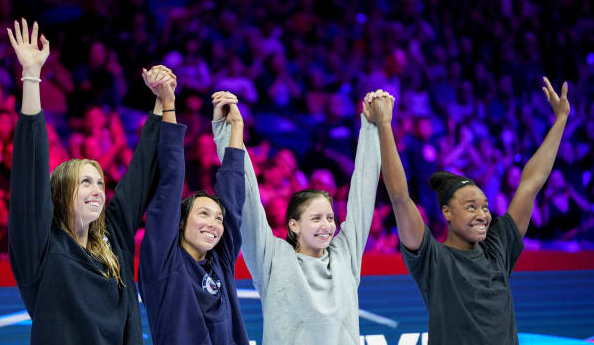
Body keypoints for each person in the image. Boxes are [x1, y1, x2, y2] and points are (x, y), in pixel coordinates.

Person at [6, 18, 175, 344]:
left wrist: (162, 101)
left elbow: (141, 173)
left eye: (99, 182)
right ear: (59, 192)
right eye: (85, 182)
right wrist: (31, 76)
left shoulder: (113, 235)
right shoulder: (40, 246)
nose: (98, 190)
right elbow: (29, 173)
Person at [371, 77, 570, 344]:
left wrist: (560, 121)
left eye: (485, 207)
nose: (483, 214)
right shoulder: (433, 259)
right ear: (447, 213)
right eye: (471, 207)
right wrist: (385, 124)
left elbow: (530, 184)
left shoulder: (498, 248)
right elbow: (399, 197)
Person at [212, 91, 383, 344]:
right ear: (294, 225)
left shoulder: (345, 254)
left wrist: (371, 127)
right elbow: (247, 198)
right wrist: (229, 131)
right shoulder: (271, 258)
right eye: (316, 219)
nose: (327, 225)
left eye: (330, 218)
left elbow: (363, 194)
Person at [138, 91, 249, 344]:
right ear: (179, 222)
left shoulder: (220, 261)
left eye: (218, 219)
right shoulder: (162, 263)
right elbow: (170, 181)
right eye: (203, 214)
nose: (214, 224)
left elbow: (232, 194)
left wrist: (235, 128)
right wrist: (169, 105)